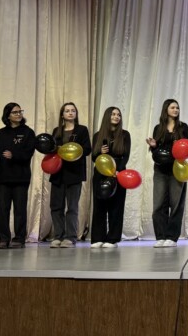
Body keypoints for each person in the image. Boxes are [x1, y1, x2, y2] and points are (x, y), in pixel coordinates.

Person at [0, 102, 36, 249]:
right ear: (7, 115)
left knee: (20, 209)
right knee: (3, 209)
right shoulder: (0, 133)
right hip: (2, 177)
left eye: (20, 111)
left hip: (21, 177)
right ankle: (3, 238)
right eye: (15, 112)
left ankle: (19, 238)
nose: (18, 114)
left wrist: (13, 155)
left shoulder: (28, 132)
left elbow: (28, 153)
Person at [146, 98, 188, 248]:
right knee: (159, 203)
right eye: (172, 107)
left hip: (178, 169)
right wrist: (153, 146)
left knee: (176, 204)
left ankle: (172, 237)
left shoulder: (183, 127)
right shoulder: (158, 128)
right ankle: (161, 236)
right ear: (166, 109)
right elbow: (157, 152)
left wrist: (179, 147)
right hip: (160, 170)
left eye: (177, 108)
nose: (176, 110)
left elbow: (187, 148)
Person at [50, 102, 92, 248]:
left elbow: (87, 149)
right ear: (62, 115)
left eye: (73, 110)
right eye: (67, 111)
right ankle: (58, 236)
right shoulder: (57, 131)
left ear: (76, 113)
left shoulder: (82, 130)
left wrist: (72, 150)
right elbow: (51, 149)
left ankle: (70, 237)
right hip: (58, 173)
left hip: (74, 173)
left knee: (72, 207)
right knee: (56, 206)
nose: (70, 113)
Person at [90, 106, 131, 249]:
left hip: (118, 174)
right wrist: (100, 152)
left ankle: (112, 239)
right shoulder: (98, 135)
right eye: (113, 114)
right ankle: (97, 238)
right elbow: (94, 158)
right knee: (99, 206)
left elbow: (125, 156)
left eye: (118, 115)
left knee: (116, 207)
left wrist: (116, 170)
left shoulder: (125, 135)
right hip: (100, 174)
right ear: (107, 116)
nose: (116, 117)